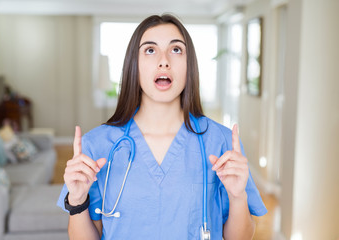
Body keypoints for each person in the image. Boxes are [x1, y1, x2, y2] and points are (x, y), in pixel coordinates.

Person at [57, 14, 267, 239]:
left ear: (190, 66)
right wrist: (77, 202)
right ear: (133, 66)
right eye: (150, 50)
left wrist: (237, 197)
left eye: (176, 50)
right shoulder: (97, 145)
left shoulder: (221, 142)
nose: (164, 60)